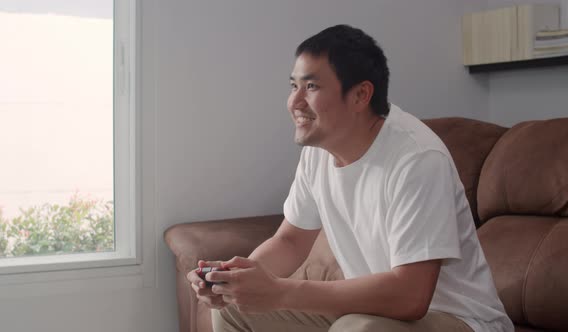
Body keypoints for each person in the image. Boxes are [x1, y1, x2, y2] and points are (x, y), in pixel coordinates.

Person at [187, 24, 513, 332]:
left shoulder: (417, 159)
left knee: (356, 329)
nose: (294, 102)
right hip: (372, 313)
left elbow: (411, 295)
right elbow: (290, 242)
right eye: (293, 86)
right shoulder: (319, 150)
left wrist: (282, 292)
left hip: (459, 321)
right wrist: (237, 280)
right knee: (232, 309)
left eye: (311, 86)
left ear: (360, 95)